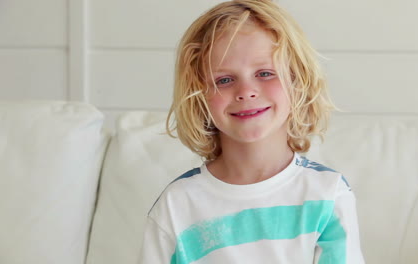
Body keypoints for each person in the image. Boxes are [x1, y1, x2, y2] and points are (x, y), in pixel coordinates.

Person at [138, 0, 365, 263]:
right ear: (197, 95)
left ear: (297, 80)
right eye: (224, 80)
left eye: (265, 73)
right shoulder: (176, 205)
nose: (246, 91)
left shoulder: (327, 194)